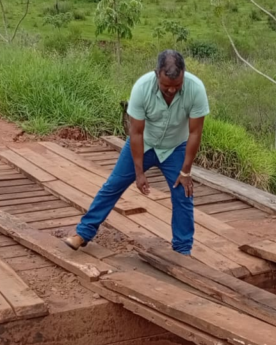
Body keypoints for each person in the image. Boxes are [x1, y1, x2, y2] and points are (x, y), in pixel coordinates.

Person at [65, 50, 209, 255]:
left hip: (175, 147)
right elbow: (136, 132)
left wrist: (185, 172)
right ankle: (83, 233)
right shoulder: (142, 88)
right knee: (113, 185)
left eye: (177, 86)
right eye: (165, 85)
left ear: (184, 74)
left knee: (183, 195)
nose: (171, 90)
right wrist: (139, 173)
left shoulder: (196, 89)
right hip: (145, 144)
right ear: (156, 73)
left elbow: (195, 133)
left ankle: (182, 250)